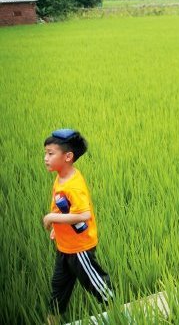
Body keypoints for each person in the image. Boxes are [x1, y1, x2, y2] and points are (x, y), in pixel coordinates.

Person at [43, 129, 114, 322]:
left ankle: (120, 311)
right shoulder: (61, 176)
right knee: (58, 288)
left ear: (68, 156)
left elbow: (83, 214)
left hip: (79, 248)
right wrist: (57, 229)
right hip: (64, 246)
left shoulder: (73, 184)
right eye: (45, 153)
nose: (45, 158)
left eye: (50, 153)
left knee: (97, 285)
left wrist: (51, 218)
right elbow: (62, 206)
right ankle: (52, 320)